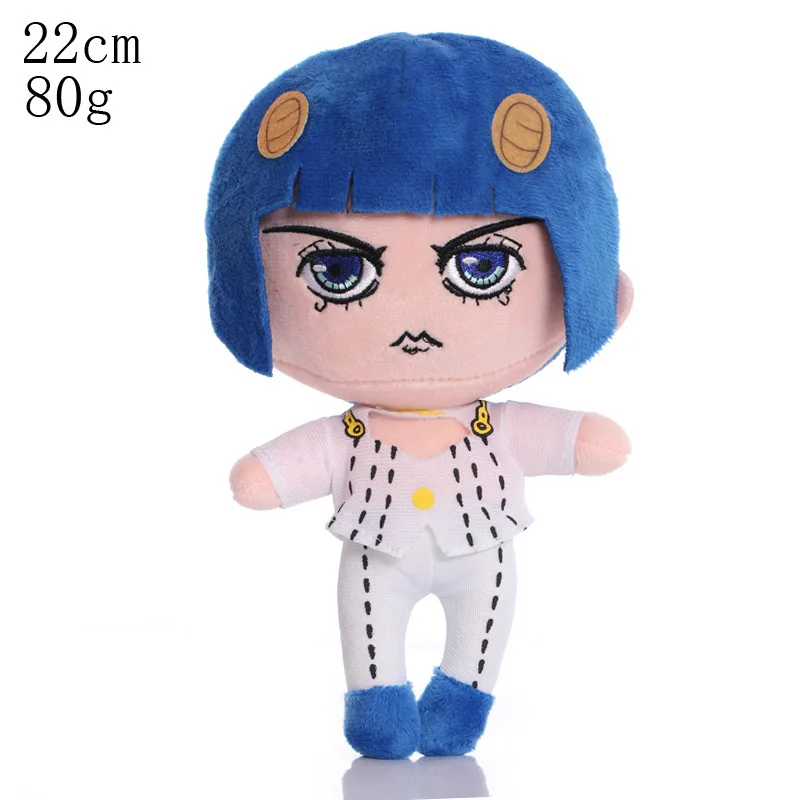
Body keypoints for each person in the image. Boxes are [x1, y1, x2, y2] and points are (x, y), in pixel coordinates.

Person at [206, 32, 633, 760]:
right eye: (338, 272)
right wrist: (269, 475)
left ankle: (464, 694)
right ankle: (377, 700)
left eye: (484, 266)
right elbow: (268, 478)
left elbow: (585, 444)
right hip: (380, 550)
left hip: (480, 543)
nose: (414, 327)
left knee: (481, 625)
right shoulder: (349, 438)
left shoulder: (495, 426)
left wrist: (580, 440)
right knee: (371, 625)